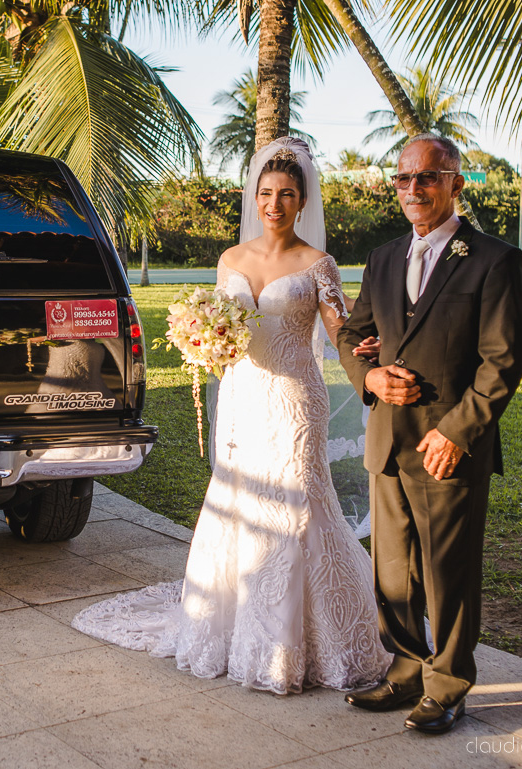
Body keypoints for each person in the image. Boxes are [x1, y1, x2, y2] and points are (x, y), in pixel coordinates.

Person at [71, 137, 390, 694]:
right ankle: (236, 629)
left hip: (296, 400)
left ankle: (305, 643)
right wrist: (205, 345)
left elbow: (341, 330)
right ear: (255, 196)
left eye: (286, 194)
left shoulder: (318, 264)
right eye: (266, 192)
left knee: (300, 503)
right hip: (242, 395)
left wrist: (368, 353)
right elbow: (221, 324)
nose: (274, 204)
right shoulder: (231, 260)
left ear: (302, 200)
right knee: (238, 498)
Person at [336, 134, 522, 734]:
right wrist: (369, 375)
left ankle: (447, 686)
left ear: (455, 184)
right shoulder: (383, 256)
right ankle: (405, 669)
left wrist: (458, 431)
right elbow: (351, 333)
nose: (413, 189)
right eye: (403, 179)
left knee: (448, 572)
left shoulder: (495, 259)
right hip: (388, 441)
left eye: (427, 177)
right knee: (392, 571)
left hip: (447, 446)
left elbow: (503, 359)